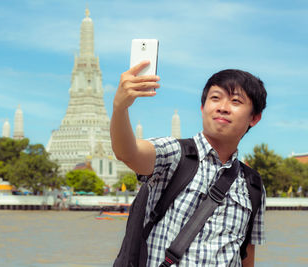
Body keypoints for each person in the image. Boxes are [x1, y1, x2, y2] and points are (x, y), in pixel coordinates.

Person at [110, 61, 267, 266]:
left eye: (235, 101)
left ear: (254, 118)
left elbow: (246, 254)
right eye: (215, 98)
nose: (222, 108)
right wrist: (120, 107)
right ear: (203, 108)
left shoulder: (252, 185)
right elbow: (128, 153)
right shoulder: (176, 155)